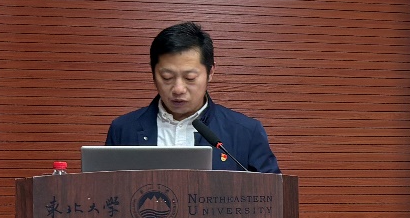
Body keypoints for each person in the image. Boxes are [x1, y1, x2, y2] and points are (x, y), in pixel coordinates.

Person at [105, 22, 280, 173]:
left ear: (210, 72)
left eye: (190, 78)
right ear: (153, 72)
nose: (178, 89)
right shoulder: (123, 130)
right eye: (167, 77)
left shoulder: (245, 132)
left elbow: (273, 195)